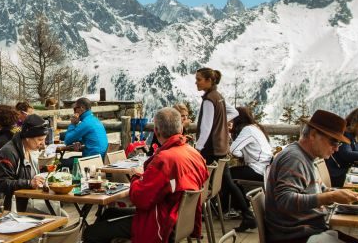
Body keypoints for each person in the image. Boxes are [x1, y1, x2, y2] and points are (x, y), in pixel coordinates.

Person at [83, 107, 209, 243]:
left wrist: (136, 177)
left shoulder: (165, 159)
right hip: (181, 218)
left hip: (159, 223)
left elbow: (139, 199)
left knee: (91, 232)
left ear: (156, 131)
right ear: (181, 129)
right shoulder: (194, 153)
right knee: (109, 213)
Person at [264, 110, 358, 243]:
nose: (336, 149)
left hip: (309, 231)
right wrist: (329, 197)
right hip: (296, 236)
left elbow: (323, 191)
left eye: (339, 144)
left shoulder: (306, 157)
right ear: (313, 135)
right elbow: (284, 201)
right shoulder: (294, 159)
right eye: (333, 142)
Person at [223, 106, 273, 233]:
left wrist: (241, 155)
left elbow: (233, 150)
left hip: (258, 169)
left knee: (227, 177)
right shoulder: (254, 128)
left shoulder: (247, 130)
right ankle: (246, 213)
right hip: (265, 168)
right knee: (231, 176)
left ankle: (246, 214)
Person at [0, 114, 49, 212]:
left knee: (59, 212)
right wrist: (28, 183)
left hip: (25, 200)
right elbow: (1, 183)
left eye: (44, 139)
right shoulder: (8, 152)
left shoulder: (30, 150)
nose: (43, 144)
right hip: (7, 206)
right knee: (57, 214)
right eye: (40, 140)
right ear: (27, 137)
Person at [194, 67, 238, 164]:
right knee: (223, 177)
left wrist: (198, 148)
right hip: (221, 146)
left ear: (208, 80)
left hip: (210, 148)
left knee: (210, 177)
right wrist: (220, 122)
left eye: (199, 79)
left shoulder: (209, 100)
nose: (196, 82)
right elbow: (234, 112)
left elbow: (206, 128)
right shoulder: (218, 96)